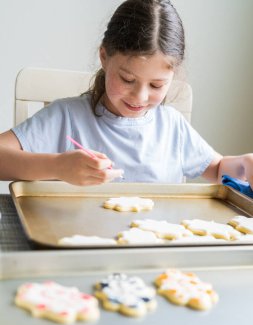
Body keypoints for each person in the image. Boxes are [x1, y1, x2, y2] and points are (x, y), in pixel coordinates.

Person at [0, 0, 252, 188]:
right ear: (104, 57)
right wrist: (58, 166)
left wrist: (244, 165)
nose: (140, 97)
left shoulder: (172, 126)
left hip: (156, 251)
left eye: (156, 85)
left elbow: (219, 168)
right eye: (127, 79)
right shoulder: (67, 117)